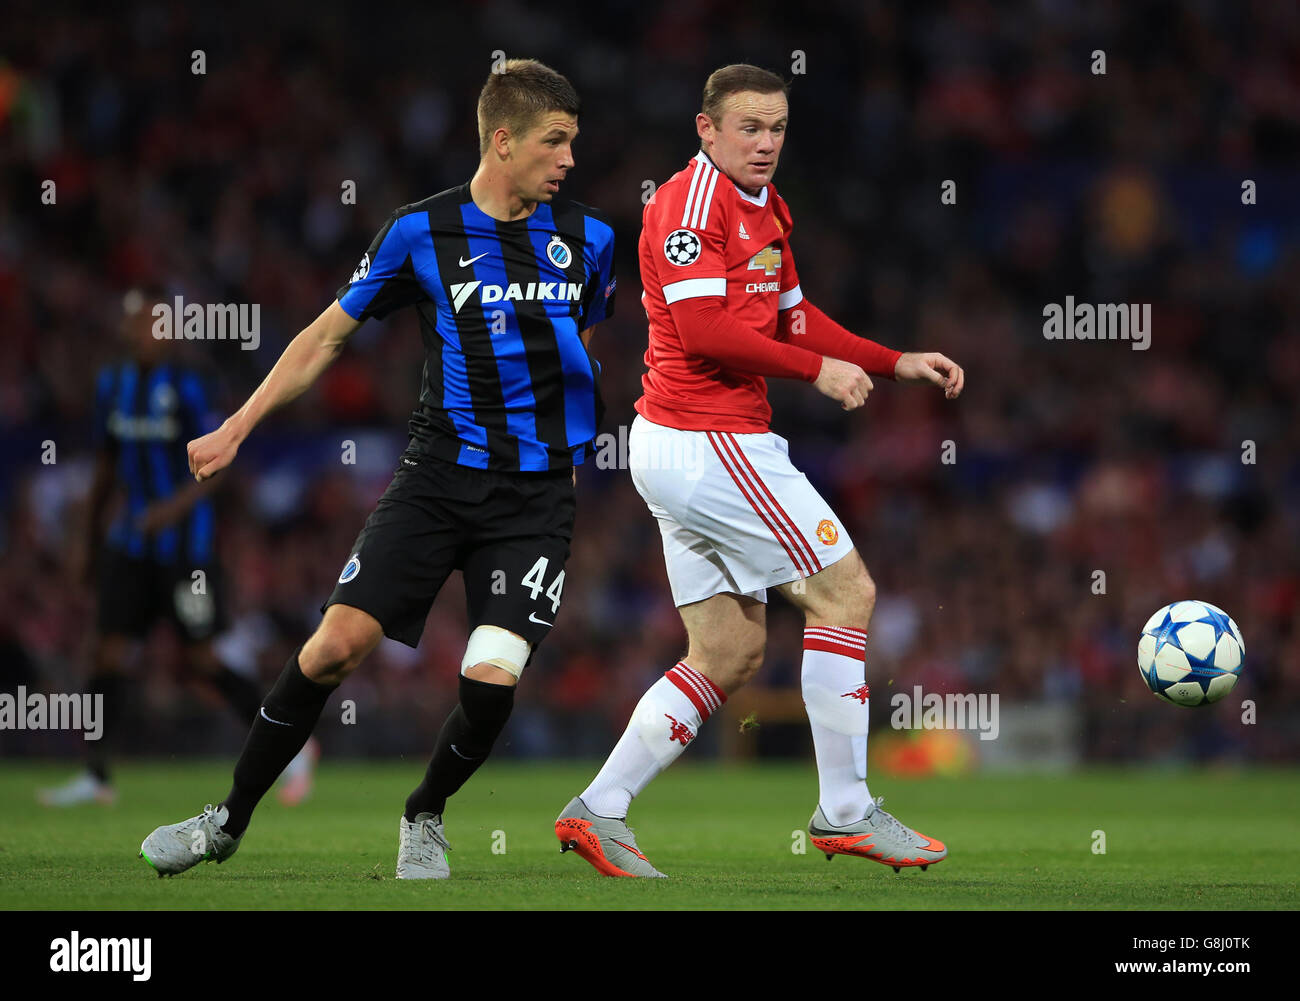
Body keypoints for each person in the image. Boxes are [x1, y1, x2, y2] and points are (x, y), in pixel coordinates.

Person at [140, 58, 615, 879]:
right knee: (333, 648)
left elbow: (586, 340)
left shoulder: (591, 241)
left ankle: (424, 813)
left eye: (573, 141)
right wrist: (239, 425)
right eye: (556, 141)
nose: (570, 159)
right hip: (437, 479)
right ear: (503, 142)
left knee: (492, 680)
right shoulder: (418, 231)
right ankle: (225, 819)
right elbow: (326, 336)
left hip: (535, 499)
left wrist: (570, 445)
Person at [555, 64, 963, 877]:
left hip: (684, 447)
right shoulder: (687, 205)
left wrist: (893, 361)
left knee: (729, 650)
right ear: (705, 129)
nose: (767, 143)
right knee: (846, 592)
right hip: (709, 441)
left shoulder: (767, 206)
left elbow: (794, 315)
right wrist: (814, 374)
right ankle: (846, 812)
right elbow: (704, 330)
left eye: (777, 128)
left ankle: (598, 810)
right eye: (749, 127)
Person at [40, 286, 317, 807]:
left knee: (200, 661)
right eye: (135, 323)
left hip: (186, 552)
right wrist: (87, 540)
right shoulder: (112, 385)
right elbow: (105, 466)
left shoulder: (190, 386)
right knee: (106, 653)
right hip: (129, 543)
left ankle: (292, 745)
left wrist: (169, 510)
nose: (144, 332)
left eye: (152, 322)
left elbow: (219, 461)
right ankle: (96, 776)